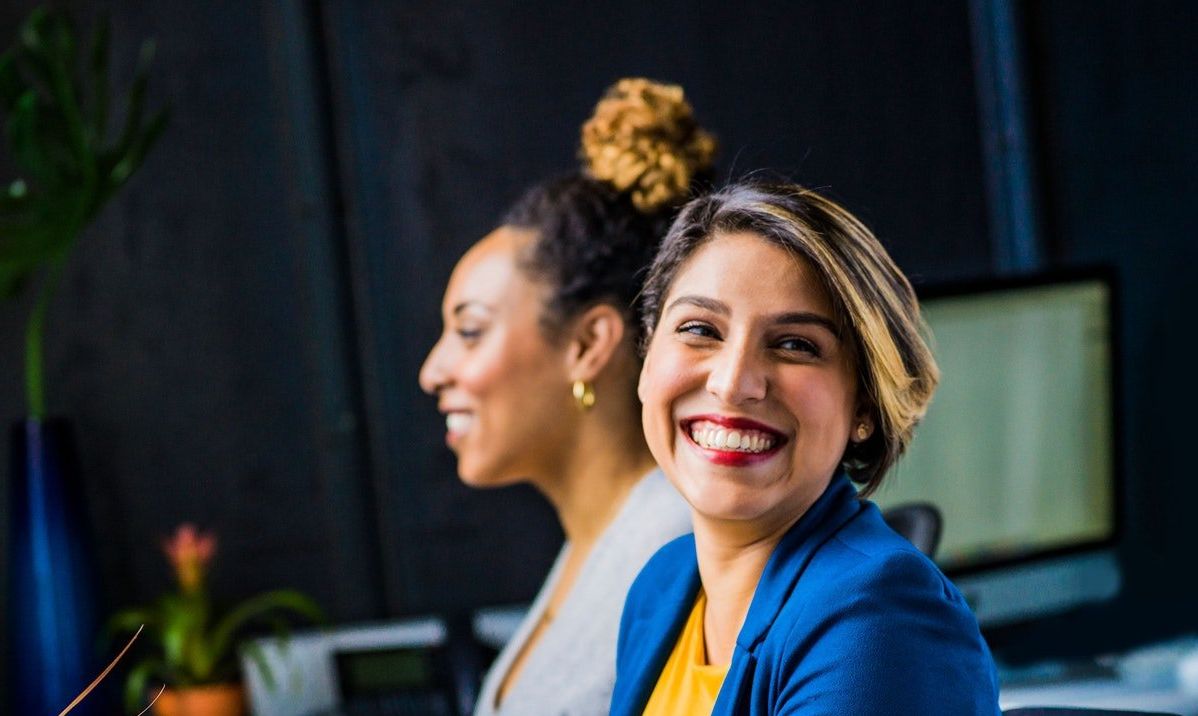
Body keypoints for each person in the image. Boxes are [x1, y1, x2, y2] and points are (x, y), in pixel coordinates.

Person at [610, 181, 1000, 716]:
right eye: (700, 329)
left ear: (864, 405)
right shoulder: (661, 589)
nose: (734, 382)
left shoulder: (878, 618)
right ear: (648, 360)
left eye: (795, 345)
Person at [417, 78, 715, 716]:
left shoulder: (672, 556)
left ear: (588, 344)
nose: (432, 371)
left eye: (469, 332)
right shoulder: (599, 540)